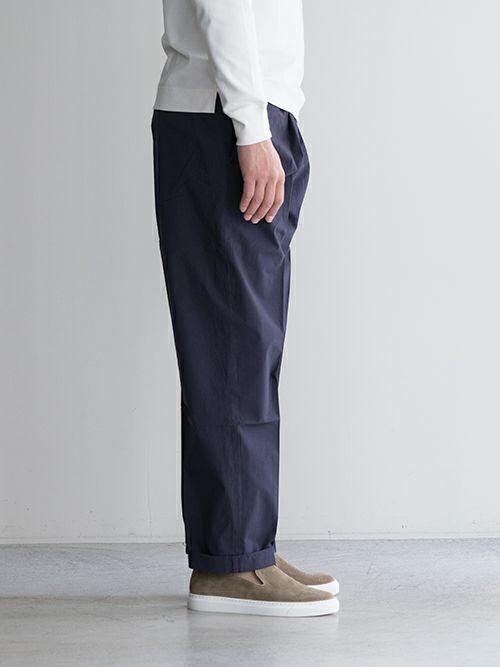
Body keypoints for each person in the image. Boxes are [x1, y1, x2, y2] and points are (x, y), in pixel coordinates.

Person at [151, 0, 339, 617]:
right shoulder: (238, 120)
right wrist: (251, 128)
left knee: (249, 348)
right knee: (232, 349)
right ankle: (231, 561)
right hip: (227, 118)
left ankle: (247, 547)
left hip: (243, 112)